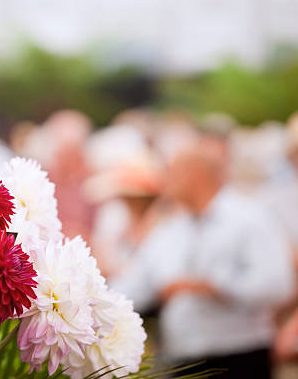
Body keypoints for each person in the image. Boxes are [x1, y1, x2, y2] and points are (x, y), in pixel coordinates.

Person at [111, 142, 295, 378]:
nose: (165, 180)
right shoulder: (170, 228)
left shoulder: (250, 218)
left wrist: (212, 286)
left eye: (171, 172)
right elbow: (135, 284)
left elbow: (278, 283)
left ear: (195, 174)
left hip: (241, 358)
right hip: (183, 360)